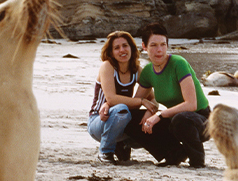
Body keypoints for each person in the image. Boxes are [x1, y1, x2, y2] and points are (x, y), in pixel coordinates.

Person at [125, 22, 211, 168]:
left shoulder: (179, 63)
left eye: (163, 45)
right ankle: (175, 154)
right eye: (153, 45)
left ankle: (197, 161)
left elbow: (191, 104)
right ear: (144, 46)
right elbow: (135, 102)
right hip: (175, 121)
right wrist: (149, 110)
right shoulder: (147, 72)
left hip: (203, 121)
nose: (159, 50)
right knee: (131, 118)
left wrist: (158, 115)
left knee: (181, 118)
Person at [87, 31, 156, 164]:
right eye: (117, 48)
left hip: (122, 120)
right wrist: (141, 101)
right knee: (121, 110)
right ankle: (105, 152)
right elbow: (111, 99)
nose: (122, 50)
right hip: (99, 120)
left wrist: (149, 112)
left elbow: (154, 100)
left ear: (131, 47)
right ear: (111, 52)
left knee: (154, 121)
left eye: (125, 45)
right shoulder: (107, 67)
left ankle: (123, 144)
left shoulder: (137, 70)